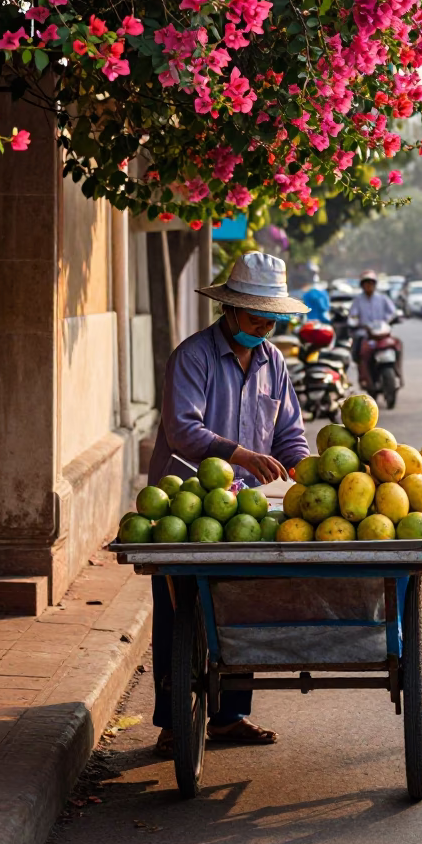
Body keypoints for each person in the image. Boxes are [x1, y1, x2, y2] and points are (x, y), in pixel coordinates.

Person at [148, 252, 310, 752]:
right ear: (231, 309)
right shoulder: (192, 357)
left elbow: (289, 434)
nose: (265, 324)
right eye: (256, 314)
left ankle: (229, 716)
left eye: (272, 316)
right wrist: (237, 453)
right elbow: (183, 429)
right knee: (179, 611)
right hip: (188, 503)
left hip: (249, 511)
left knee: (242, 606)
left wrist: (307, 468)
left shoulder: (274, 362)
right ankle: (175, 721)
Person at [349, 270, 399, 388]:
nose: (368, 286)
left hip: (382, 333)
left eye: (371, 283)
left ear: (375, 285)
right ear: (362, 286)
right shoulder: (358, 301)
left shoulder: (383, 299)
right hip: (365, 334)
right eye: (366, 283)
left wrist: (389, 320)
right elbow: (353, 316)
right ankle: (363, 375)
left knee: (397, 344)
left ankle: (397, 371)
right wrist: (355, 322)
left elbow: (393, 312)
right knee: (358, 349)